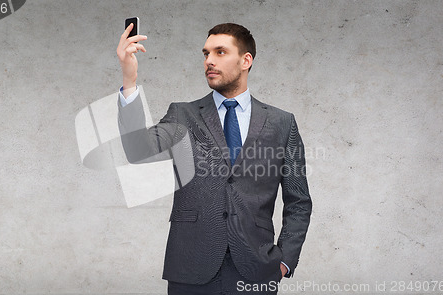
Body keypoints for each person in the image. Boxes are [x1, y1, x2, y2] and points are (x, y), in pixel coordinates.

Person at [116, 22, 312, 295]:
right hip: (191, 269)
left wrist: (284, 261)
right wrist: (129, 80)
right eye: (206, 53)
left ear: (246, 60)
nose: (209, 61)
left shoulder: (281, 123)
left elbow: (299, 201)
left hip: (256, 270)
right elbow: (137, 149)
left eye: (220, 52)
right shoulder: (183, 115)